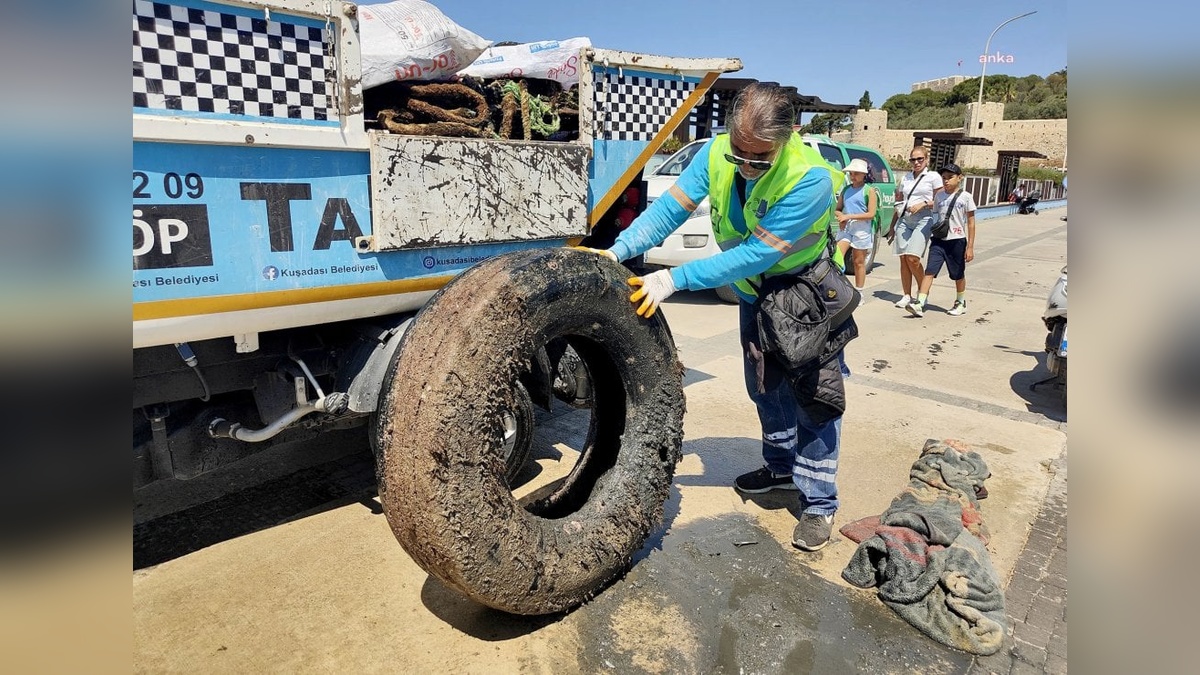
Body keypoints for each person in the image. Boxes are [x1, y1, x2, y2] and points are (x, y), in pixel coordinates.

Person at [573, 83, 847, 551]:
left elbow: (756, 254)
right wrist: (617, 253)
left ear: (788, 137)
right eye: (738, 150)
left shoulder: (811, 180)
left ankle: (818, 502)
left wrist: (672, 280)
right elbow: (667, 214)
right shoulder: (716, 154)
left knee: (814, 396)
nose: (744, 164)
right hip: (754, 296)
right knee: (764, 385)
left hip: (803, 297)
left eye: (758, 158)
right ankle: (780, 468)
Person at [907, 163, 976, 317]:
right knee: (929, 271)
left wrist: (970, 247)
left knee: (957, 274)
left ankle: (960, 302)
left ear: (959, 178)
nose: (946, 181)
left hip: (957, 240)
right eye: (943, 178)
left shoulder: (966, 197)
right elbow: (937, 215)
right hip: (939, 240)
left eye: (950, 177)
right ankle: (920, 302)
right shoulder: (939, 196)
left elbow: (971, 223)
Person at [884, 145, 942, 310]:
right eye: (913, 159)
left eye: (919, 159)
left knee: (913, 258)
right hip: (905, 219)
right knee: (903, 258)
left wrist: (923, 204)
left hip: (923, 219)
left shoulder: (933, 177)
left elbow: (940, 200)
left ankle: (923, 293)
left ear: (926, 159)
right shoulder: (906, 178)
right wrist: (893, 225)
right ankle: (906, 295)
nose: (916, 162)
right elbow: (900, 203)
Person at [833, 158, 878, 293]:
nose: (853, 176)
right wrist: (841, 217)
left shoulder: (869, 191)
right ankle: (839, 289)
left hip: (862, 230)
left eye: (856, 173)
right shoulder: (846, 190)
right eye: (851, 173)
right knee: (836, 258)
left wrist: (848, 216)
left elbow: (871, 214)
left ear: (864, 174)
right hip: (846, 228)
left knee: (858, 262)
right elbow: (838, 208)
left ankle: (859, 291)